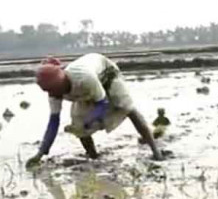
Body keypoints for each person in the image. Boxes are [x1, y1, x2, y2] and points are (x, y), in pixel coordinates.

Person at [27, 53, 163, 166]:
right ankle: (94, 158)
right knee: (77, 124)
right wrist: (40, 154)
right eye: (49, 91)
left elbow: (102, 103)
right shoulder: (54, 93)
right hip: (86, 90)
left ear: (62, 80)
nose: (54, 94)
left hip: (107, 75)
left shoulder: (84, 77)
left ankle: (156, 152)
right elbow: (53, 123)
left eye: (56, 89)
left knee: (127, 107)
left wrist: (90, 121)